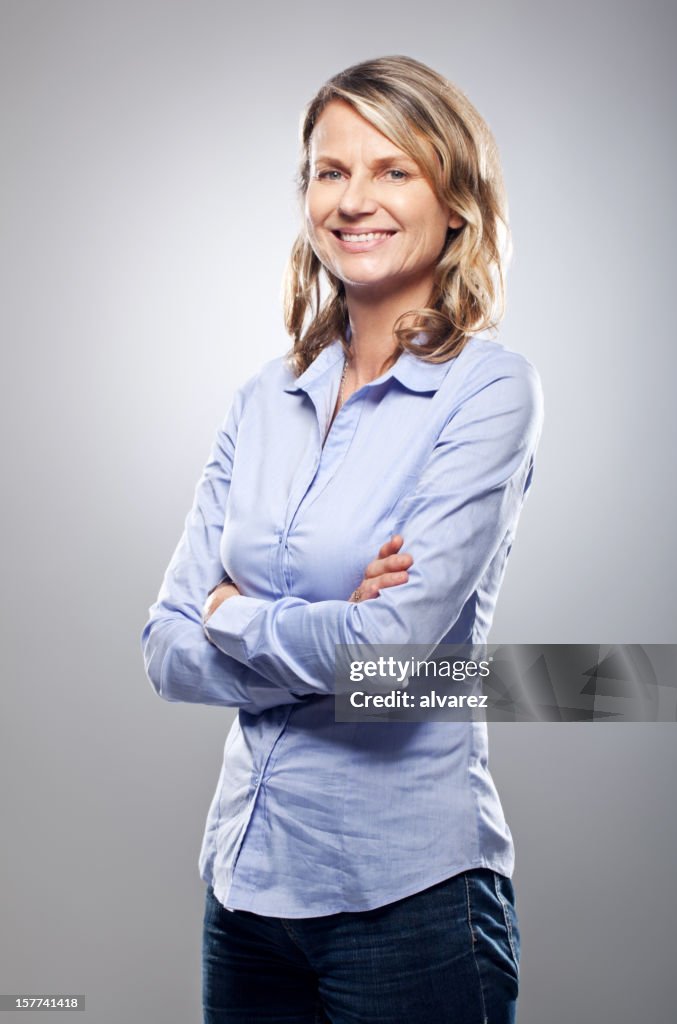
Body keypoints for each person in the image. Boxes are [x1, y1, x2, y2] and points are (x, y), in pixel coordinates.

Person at [141, 54, 543, 1024]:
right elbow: (164, 648)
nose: (354, 199)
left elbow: (391, 661)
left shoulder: (488, 392)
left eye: (393, 170)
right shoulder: (262, 401)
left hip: (409, 899)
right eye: (331, 171)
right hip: (246, 888)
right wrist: (325, 627)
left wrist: (236, 614)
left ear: (455, 201)